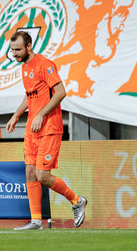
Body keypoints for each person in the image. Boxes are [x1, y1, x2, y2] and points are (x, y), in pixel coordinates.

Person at [6, 31, 87, 230]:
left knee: (42, 175)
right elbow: (30, 95)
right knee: (30, 172)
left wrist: (41, 114)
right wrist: (16, 114)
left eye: (17, 49)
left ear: (29, 47)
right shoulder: (25, 67)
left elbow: (61, 92)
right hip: (32, 128)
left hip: (49, 127)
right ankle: (36, 221)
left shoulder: (45, 64)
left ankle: (77, 201)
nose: (14, 54)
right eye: (12, 50)